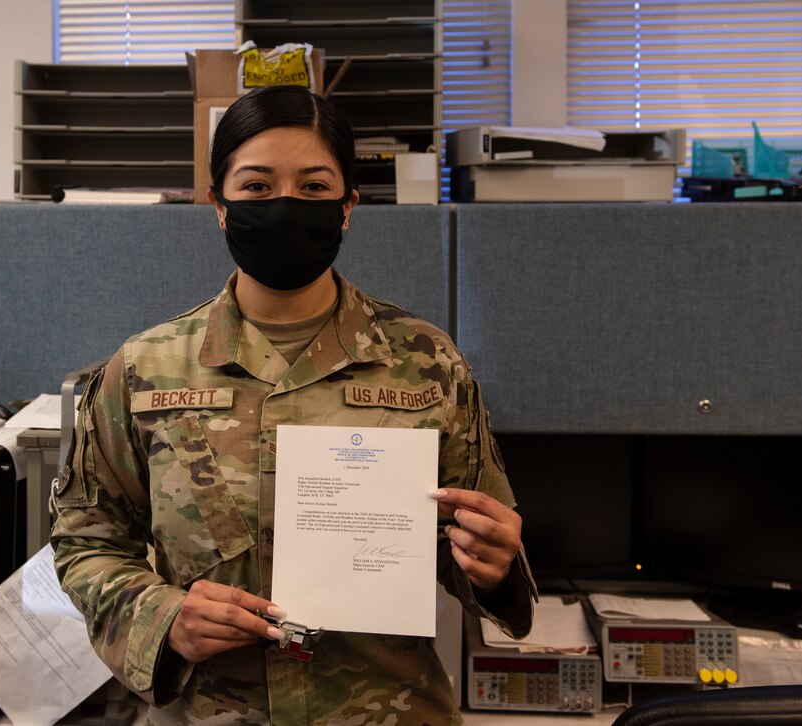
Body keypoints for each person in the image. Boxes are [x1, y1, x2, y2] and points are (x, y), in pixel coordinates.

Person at [51, 84, 537, 725]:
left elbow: (479, 541)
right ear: (219, 205)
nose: (285, 206)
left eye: (313, 187)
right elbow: (85, 542)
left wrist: (496, 567)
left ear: (349, 206)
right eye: (256, 187)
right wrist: (163, 617)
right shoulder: (145, 367)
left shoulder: (427, 362)